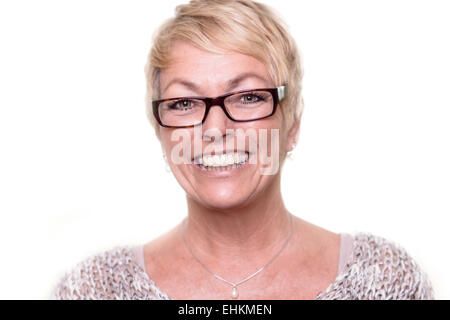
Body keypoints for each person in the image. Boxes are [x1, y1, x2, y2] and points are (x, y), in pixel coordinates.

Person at [51, 0, 433, 300]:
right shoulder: (93, 290)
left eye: (248, 96)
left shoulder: (384, 281)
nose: (215, 129)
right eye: (184, 103)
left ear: (292, 124)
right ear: (161, 132)